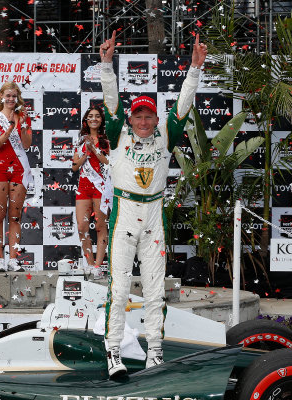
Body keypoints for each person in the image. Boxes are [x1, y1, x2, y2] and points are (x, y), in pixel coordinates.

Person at [99, 31, 208, 377]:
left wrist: (194, 69)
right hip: (124, 214)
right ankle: (113, 352)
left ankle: (155, 352)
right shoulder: (118, 131)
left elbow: (184, 103)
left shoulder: (166, 134)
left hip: (155, 216)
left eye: (149, 116)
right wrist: (105, 65)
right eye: (138, 117)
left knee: (155, 290)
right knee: (118, 291)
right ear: (130, 119)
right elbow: (111, 98)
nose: (144, 122)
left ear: (155, 119)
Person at [0, 82, 33, 272]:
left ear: (18, 98)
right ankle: (0, 260)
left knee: (15, 216)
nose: (11, 99)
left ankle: (13, 259)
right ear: (1, 96)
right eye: (8, 96)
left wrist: (22, 128)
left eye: (14, 96)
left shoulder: (24, 116)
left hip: (19, 169)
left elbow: (27, 144)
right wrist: (8, 130)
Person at [72, 106, 110, 278]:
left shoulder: (106, 139)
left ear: (101, 120)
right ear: (86, 120)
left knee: (100, 226)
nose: (94, 119)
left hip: (101, 187)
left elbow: (107, 161)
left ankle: (98, 266)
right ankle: (89, 263)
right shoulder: (80, 140)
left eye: (97, 116)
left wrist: (94, 149)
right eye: (90, 116)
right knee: (82, 227)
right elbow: (74, 166)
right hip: (84, 187)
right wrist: (85, 153)